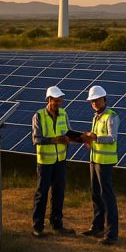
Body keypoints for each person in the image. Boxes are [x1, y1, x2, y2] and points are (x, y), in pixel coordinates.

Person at [30, 85, 80, 237]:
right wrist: (55, 140)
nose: (58, 103)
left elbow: (68, 132)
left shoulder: (64, 114)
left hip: (60, 160)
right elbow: (36, 139)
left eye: (60, 100)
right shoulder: (38, 115)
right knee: (42, 193)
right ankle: (37, 227)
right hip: (45, 161)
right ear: (49, 99)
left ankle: (57, 224)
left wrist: (83, 137)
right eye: (56, 100)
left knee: (59, 193)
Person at [80, 85, 119, 245]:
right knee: (96, 194)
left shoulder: (111, 116)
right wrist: (88, 140)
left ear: (104, 99)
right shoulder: (96, 116)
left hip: (105, 162)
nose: (94, 103)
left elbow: (112, 138)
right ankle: (97, 226)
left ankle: (111, 234)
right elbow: (96, 137)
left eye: (96, 100)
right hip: (94, 159)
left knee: (107, 197)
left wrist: (95, 138)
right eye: (92, 101)